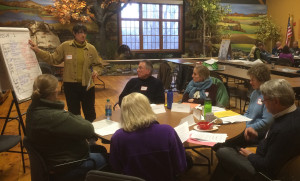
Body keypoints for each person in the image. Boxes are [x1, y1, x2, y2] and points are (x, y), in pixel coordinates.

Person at [211, 79, 300, 181]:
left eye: (264, 100)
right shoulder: (293, 113)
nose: (264, 104)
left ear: (276, 101)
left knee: (223, 151)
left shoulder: (284, 129)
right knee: (227, 156)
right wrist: (258, 135)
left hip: (263, 174)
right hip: (265, 154)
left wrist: (250, 155)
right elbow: (272, 136)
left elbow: (267, 167)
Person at [26, 74, 106, 180]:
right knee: (111, 159)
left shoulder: (33, 109)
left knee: (99, 149)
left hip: (52, 160)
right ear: (55, 91)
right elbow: (89, 129)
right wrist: (75, 117)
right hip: (68, 166)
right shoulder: (55, 117)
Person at [29, 23, 103, 122]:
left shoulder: (91, 48)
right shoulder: (65, 46)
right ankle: (75, 136)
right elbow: (53, 59)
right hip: (70, 86)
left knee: (90, 112)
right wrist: (38, 50)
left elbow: (98, 64)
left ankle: (91, 135)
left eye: (84, 33)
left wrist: (96, 71)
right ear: (74, 33)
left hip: (88, 86)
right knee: (73, 113)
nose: (83, 35)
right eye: (80, 33)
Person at [110, 93, 187, 181]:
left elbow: (116, 168)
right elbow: (181, 166)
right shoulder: (167, 131)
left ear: (124, 112)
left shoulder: (118, 137)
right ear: (148, 108)